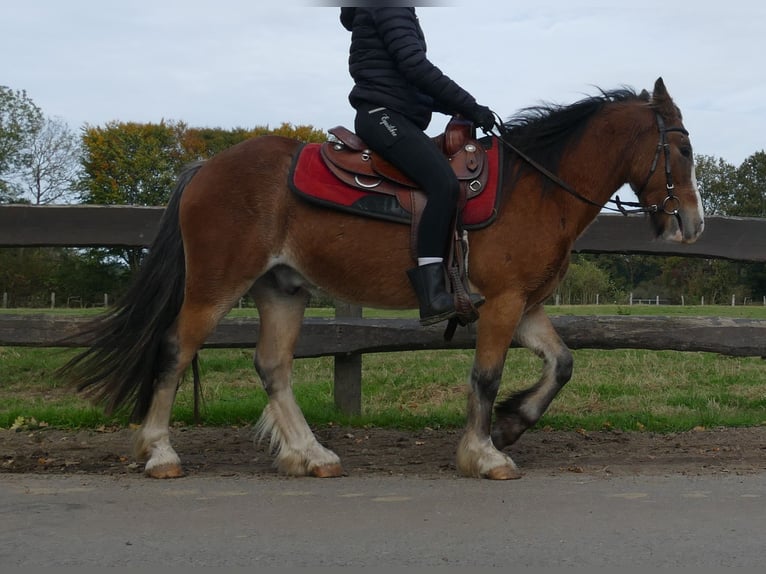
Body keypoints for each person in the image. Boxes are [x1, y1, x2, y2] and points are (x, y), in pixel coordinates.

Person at [340, 6, 496, 326]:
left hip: (395, 115)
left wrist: (465, 109)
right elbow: (416, 67)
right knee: (444, 184)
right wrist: (470, 105)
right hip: (383, 116)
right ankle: (433, 294)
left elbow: (417, 85)